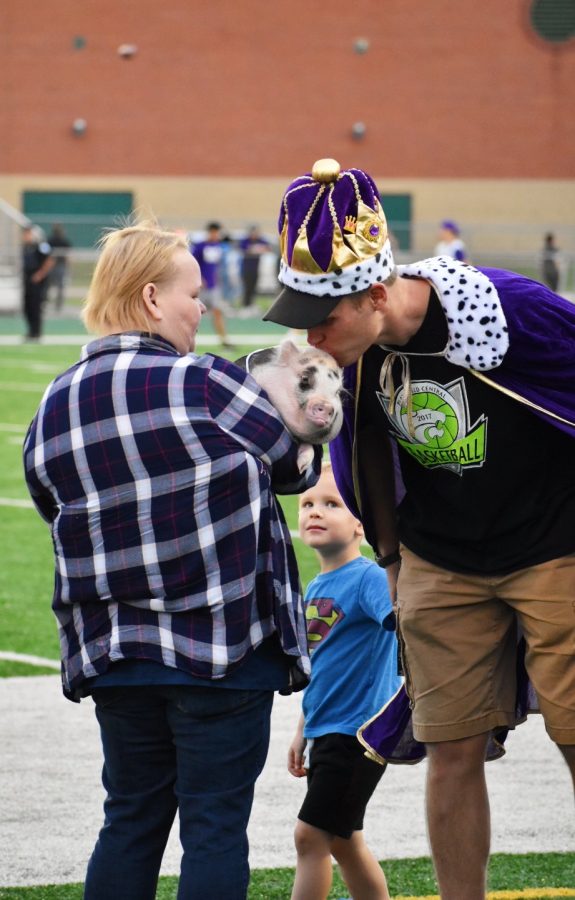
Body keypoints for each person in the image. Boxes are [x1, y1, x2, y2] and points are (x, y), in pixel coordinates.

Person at [263, 158, 575, 900]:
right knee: (450, 745)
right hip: (441, 561)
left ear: (375, 292)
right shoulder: (353, 352)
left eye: (324, 314)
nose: (310, 334)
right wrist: (396, 562)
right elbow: (361, 449)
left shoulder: (508, 309)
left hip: (552, 547)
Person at [23, 220, 321, 900]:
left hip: (115, 656)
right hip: (220, 651)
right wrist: (306, 403)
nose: (200, 305)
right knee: (214, 828)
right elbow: (294, 467)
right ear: (153, 298)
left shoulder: (54, 400)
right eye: (193, 292)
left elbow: (51, 505)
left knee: (128, 821)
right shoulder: (203, 381)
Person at [288, 462, 401, 900]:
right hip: (326, 731)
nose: (315, 512)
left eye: (332, 504)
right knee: (343, 840)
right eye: (308, 503)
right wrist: (302, 731)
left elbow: (403, 622)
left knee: (309, 838)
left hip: (358, 733)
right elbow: (323, 668)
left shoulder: (371, 579)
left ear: (360, 523)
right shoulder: (316, 586)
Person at [191, 221, 233, 348]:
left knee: (218, 312)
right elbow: (192, 263)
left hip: (214, 286)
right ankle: (188, 339)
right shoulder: (200, 246)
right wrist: (199, 278)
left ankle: (224, 340)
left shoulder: (218, 246)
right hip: (201, 286)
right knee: (194, 314)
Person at [21, 224, 55, 341]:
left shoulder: (41, 246)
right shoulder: (26, 246)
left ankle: (37, 332)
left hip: (37, 281)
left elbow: (50, 260)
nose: (25, 236)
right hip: (27, 279)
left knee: (36, 306)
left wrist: (40, 274)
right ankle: (31, 331)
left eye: (28, 233)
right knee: (27, 306)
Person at [239, 225, 270, 315]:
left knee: (254, 286)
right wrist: (255, 249)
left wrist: (257, 249)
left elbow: (267, 248)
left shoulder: (260, 240)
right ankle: (245, 305)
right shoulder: (246, 241)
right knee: (247, 286)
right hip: (247, 268)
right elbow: (244, 249)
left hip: (257, 268)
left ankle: (251, 304)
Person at [46, 222, 72, 312]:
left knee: (52, 286)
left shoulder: (56, 241)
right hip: (54, 266)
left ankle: (54, 304)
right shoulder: (52, 241)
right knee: (52, 286)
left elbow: (67, 256)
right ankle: (55, 305)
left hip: (57, 266)